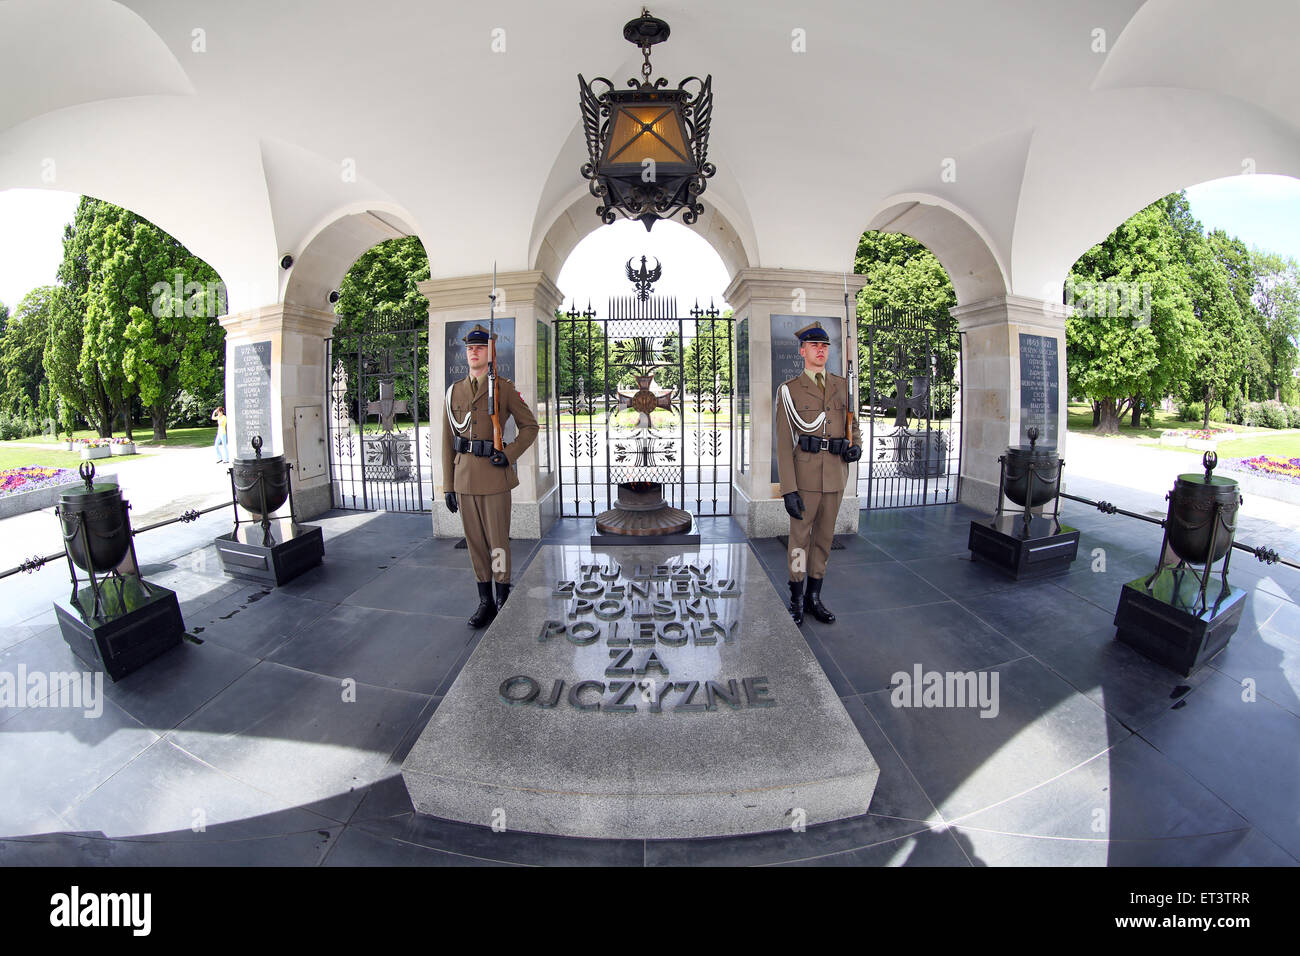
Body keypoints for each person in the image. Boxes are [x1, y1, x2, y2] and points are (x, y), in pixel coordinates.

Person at [442, 324, 539, 628]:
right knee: (475, 543)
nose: (474, 352)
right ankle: (485, 601)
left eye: (480, 347)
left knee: (497, 543)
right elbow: (447, 440)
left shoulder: (504, 388)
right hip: (464, 479)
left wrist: (508, 454)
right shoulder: (454, 390)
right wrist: (448, 485)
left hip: (494, 478)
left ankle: (502, 596)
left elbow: (530, 427)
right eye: (470, 348)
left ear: (490, 352)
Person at [774, 321, 862, 625]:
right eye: (814, 346)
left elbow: (854, 424)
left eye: (824, 346)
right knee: (799, 540)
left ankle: (814, 597)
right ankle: (797, 598)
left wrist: (856, 446)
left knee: (824, 540)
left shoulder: (841, 385)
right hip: (806, 476)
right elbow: (784, 444)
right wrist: (789, 489)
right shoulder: (789, 391)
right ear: (802, 351)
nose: (820, 351)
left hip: (835, 475)